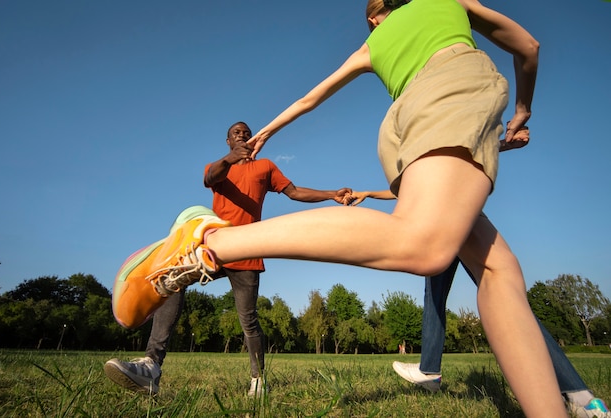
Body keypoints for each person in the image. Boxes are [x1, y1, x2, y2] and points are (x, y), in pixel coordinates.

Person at [112, 0, 568, 415]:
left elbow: (310, 98)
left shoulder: (370, 47)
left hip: (405, 124)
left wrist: (269, 134)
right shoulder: (446, 2)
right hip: (451, 92)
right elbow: (527, 46)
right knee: (425, 246)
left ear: (373, 16)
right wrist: (523, 108)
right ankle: (208, 241)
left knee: (497, 270)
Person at [106, 121, 352, 396]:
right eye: (237, 133)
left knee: (248, 319)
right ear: (228, 141)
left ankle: (258, 382)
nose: (242, 136)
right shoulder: (219, 166)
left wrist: (332, 195)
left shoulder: (266, 166)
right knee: (172, 282)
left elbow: (294, 192)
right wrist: (230, 159)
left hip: (247, 249)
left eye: (246, 133)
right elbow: (211, 177)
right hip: (214, 247)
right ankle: (151, 366)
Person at [347, 190, 610, 418]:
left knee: (507, 300)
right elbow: (413, 184)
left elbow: (416, 183)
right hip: (449, 214)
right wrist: (371, 193)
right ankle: (429, 370)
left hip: (452, 215)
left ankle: (581, 397)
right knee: (436, 289)